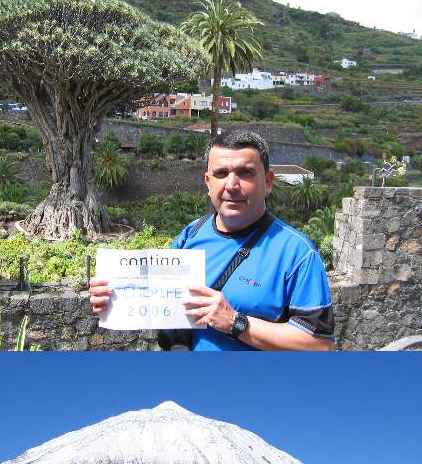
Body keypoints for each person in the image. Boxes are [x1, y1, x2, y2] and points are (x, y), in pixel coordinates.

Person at [89, 130, 334, 351]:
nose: (231, 185)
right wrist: (114, 299)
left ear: (268, 181)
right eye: (221, 173)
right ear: (208, 182)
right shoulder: (189, 236)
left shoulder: (297, 253)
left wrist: (235, 323)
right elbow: (164, 314)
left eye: (245, 172)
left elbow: (319, 344)